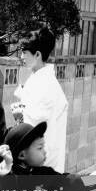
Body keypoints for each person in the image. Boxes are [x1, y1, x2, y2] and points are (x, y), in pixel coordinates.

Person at [12, 27, 67, 172]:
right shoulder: (37, 78)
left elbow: (34, 124)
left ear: (37, 54)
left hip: (42, 157)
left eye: (24, 52)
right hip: (37, 154)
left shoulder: (45, 83)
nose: (21, 57)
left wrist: (19, 116)